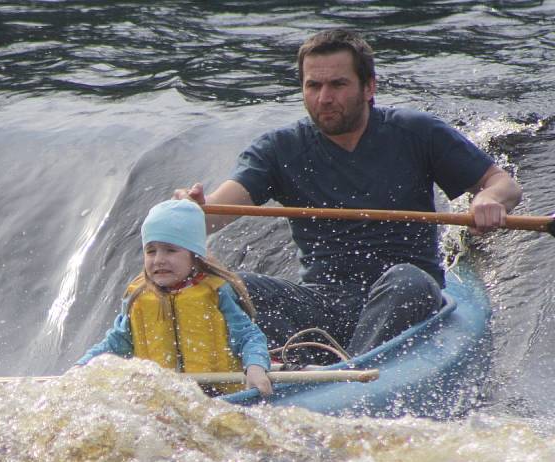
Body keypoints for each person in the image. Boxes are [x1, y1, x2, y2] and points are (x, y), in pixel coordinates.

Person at [174, 28, 522, 357]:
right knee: (231, 288)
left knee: (408, 279)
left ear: (369, 87)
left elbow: (502, 183)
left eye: (338, 85)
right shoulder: (279, 149)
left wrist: (489, 200)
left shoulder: (417, 132)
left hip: (408, 296)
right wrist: (191, 213)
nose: (324, 98)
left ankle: (350, 375)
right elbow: (221, 208)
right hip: (324, 302)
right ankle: (285, 366)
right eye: (313, 86)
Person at [77, 199, 273, 396]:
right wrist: (82, 367)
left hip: (220, 395)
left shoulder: (217, 292)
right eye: (151, 251)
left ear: (195, 255)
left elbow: (248, 336)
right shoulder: (138, 297)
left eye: (170, 250)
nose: (159, 259)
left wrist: (255, 366)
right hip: (165, 399)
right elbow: (115, 344)